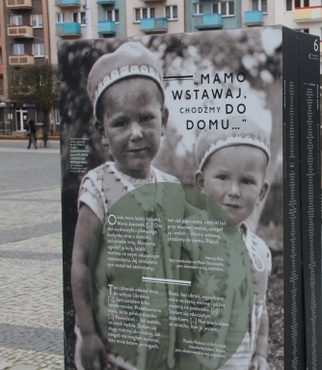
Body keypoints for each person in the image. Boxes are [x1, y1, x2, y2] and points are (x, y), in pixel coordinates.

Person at [71, 42, 185, 370]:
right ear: (102, 133)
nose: (136, 133)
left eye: (146, 119)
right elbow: (80, 263)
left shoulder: (172, 188)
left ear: (162, 120)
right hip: (112, 340)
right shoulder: (99, 185)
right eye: (121, 123)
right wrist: (89, 332)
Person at [192, 119, 272, 370]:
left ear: (261, 193)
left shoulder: (259, 252)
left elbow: (260, 309)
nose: (234, 191)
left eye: (247, 181)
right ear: (201, 183)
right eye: (223, 177)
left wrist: (260, 354)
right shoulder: (187, 240)